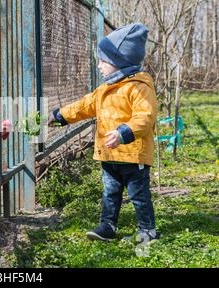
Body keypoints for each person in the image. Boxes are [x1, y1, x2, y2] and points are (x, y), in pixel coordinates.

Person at [48, 23, 159, 243]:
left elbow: (145, 117)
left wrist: (122, 133)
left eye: (102, 61)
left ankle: (148, 230)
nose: (98, 65)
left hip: (133, 153)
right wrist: (60, 115)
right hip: (109, 154)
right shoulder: (104, 89)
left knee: (139, 195)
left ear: (119, 62)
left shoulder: (139, 87)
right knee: (110, 193)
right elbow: (83, 106)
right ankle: (108, 226)